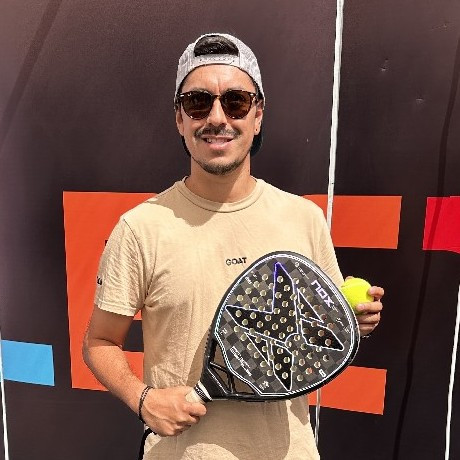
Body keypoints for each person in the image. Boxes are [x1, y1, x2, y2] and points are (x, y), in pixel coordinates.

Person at [83, 33, 384, 460]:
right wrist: (144, 399)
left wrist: (353, 321)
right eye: (198, 103)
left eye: (236, 102)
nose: (217, 117)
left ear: (257, 115)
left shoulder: (304, 218)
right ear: (179, 119)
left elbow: (317, 338)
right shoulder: (141, 228)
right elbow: (99, 341)